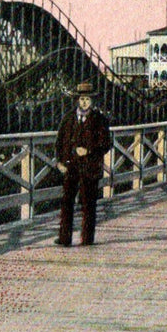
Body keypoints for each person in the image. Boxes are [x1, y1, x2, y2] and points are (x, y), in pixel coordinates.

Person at [55, 82, 112, 247]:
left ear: (92, 101)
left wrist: (89, 150)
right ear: (77, 100)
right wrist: (59, 161)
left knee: (88, 204)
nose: (84, 102)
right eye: (82, 99)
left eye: (87, 99)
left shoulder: (100, 120)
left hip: (90, 167)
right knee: (66, 202)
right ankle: (64, 238)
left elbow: (106, 143)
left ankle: (87, 239)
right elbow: (59, 142)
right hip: (70, 166)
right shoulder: (68, 119)